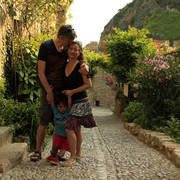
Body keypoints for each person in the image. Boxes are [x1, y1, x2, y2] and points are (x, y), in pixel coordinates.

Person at [30, 25, 88, 161]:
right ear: (61, 38)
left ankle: (55, 152)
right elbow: (40, 71)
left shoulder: (66, 48)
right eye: (68, 42)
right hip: (47, 88)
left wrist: (86, 66)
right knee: (44, 120)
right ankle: (38, 150)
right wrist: (48, 92)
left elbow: (79, 58)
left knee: (61, 122)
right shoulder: (46, 46)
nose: (70, 45)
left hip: (61, 90)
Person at [62, 41, 97, 166]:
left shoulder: (81, 66)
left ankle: (72, 157)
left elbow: (88, 85)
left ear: (79, 52)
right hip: (71, 102)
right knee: (76, 129)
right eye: (71, 48)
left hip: (81, 102)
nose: (73, 51)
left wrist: (72, 91)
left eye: (76, 49)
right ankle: (78, 154)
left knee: (69, 127)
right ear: (67, 51)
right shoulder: (64, 65)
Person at [46, 94, 71, 164]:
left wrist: (69, 97)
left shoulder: (68, 112)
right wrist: (51, 93)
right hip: (59, 134)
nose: (63, 108)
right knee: (55, 146)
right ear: (57, 107)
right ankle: (53, 155)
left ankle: (58, 157)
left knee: (64, 148)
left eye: (64, 106)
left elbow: (69, 104)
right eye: (60, 107)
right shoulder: (55, 111)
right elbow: (52, 104)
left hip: (67, 136)